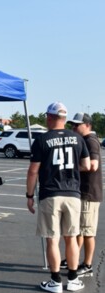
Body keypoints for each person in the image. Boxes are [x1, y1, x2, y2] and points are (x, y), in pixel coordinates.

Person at [26, 102, 90, 293]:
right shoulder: (78, 139)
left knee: (52, 239)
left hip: (50, 194)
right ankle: (72, 278)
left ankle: (55, 280)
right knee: (71, 238)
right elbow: (86, 165)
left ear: (51, 117)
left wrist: (29, 195)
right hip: (72, 194)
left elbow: (33, 171)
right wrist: (69, 170)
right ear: (64, 118)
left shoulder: (42, 139)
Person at [64, 113, 102, 277]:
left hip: (89, 193)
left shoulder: (90, 141)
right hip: (83, 192)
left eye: (76, 125)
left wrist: (70, 168)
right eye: (72, 125)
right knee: (79, 229)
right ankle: (73, 258)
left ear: (87, 125)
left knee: (87, 231)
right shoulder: (85, 140)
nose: (73, 128)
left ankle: (87, 264)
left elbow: (92, 165)